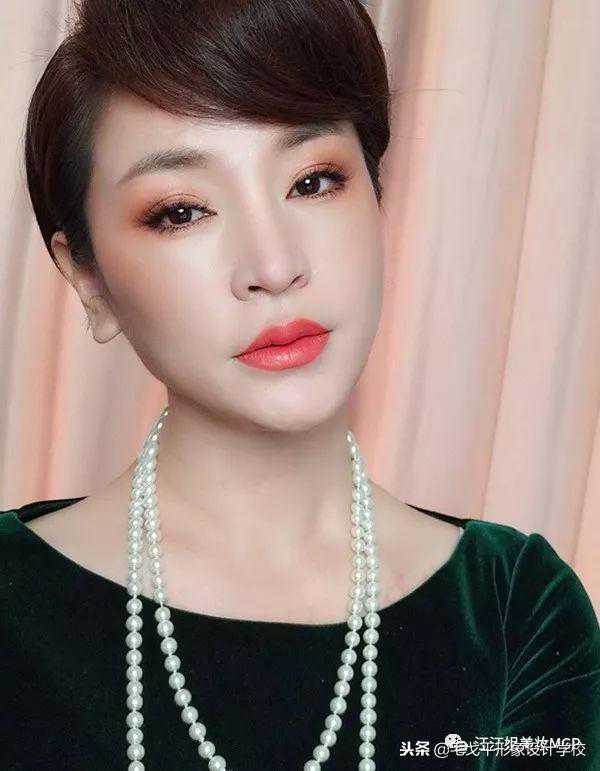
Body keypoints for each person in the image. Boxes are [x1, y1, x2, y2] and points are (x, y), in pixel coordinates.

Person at [1, 1, 599, 769]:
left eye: (313, 181)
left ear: (376, 193)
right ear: (89, 279)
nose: (275, 265)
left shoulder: (514, 610)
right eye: (182, 211)